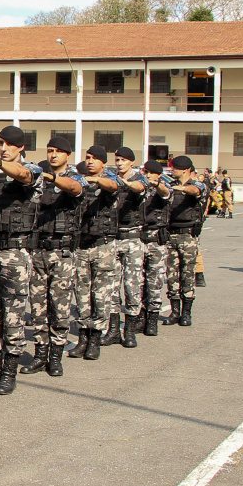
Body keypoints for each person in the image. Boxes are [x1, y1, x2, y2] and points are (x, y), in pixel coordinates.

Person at [0, 127, 42, 396]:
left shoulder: (32, 171)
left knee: (13, 317)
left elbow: (24, 175)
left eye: (10, 145)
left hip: (15, 254)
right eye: (1, 143)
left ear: (21, 148)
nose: (4, 148)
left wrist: (1, 164)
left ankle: (9, 373)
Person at [22, 136, 85, 377]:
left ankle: (56, 356)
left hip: (63, 252)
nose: (53, 155)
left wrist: (53, 179)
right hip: (38, 249)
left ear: (68, 155)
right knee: (37, 307)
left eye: (59, 151)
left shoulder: (75, 176)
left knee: (59, 307)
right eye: (50, 151)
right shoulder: (38, 176)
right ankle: (39, 354)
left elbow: (75, 189)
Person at [68, 146, 120, 361]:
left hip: (103, 247)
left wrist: (95, 181)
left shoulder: (110, 180)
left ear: (103, 162)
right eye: (87, 158)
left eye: (95, 159)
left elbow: (113, 185)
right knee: (81, 296)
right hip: (81, 246)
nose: (90, 161)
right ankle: (83, 338)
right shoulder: (78, 180)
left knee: (100, 296)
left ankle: (95, 339)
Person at [106, 147, 149, 349]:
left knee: (132, 287)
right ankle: (113, 330)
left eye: (123, 160)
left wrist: (125, 183)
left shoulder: (141, 179)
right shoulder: (111, 178)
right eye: (117, 159)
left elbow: (139, 188)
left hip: (132, 238)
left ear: (131, 162)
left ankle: (129, 331)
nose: (119, 163)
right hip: (113, 237)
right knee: (112, 287)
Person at [163, 156, 208, 327]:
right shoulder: (170, 185)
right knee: (172, 275)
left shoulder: (198, 185)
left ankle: (186, 313)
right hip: (171, 234)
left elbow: (195, 192)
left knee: (187, 275)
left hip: (188, 236)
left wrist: (180, 188)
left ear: (185, 169)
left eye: (175, 168)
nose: (172, 170)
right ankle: (175, 312)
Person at [140, 160, 172, 336]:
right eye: (145, 171)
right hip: (140, 238)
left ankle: (152, 319)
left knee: (154, 282)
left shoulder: (163, 187)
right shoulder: (140, 187)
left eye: (151, 172)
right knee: (138, 282)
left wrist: (156, 184)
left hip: (156, 240)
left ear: (158, 174)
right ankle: (141, 317)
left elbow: (166, 193)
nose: (147, 175)